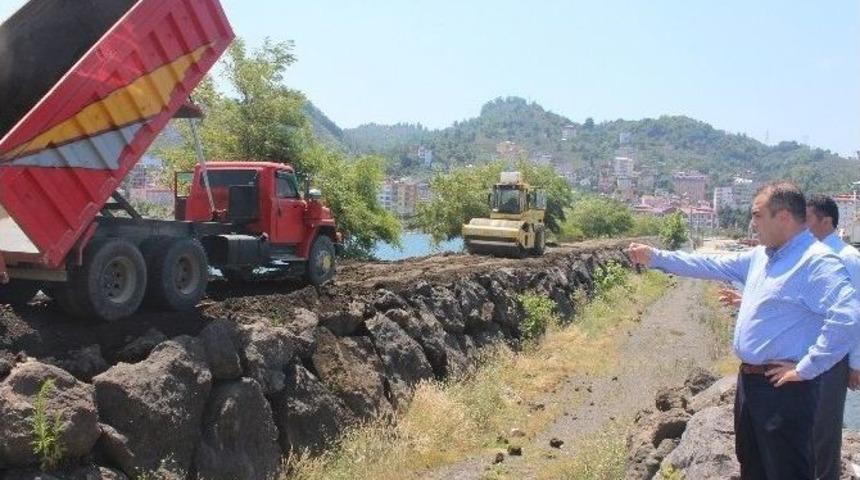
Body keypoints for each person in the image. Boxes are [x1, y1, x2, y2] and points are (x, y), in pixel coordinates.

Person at [627, 181, 860, 480]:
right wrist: (656, 257)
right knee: (753, 467)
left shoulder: (816, 261)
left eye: (757, 215)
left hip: (785, 391)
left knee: (786, 470)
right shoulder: (761, 257)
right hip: (750, 384)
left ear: (784, 217)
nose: (752, 224)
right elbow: (708, 264)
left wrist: (807, 367)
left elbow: (847, 315)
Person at [718, 194, 860, 480]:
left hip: (828, 358)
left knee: (822, 434)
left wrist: (855, 363)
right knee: (806, 432)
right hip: (805, 354)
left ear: (826, 221)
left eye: (807, 218)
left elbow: (852, 314)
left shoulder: (845, 258)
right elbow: (800, 303)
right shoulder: (798, 255)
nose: (800, 224)